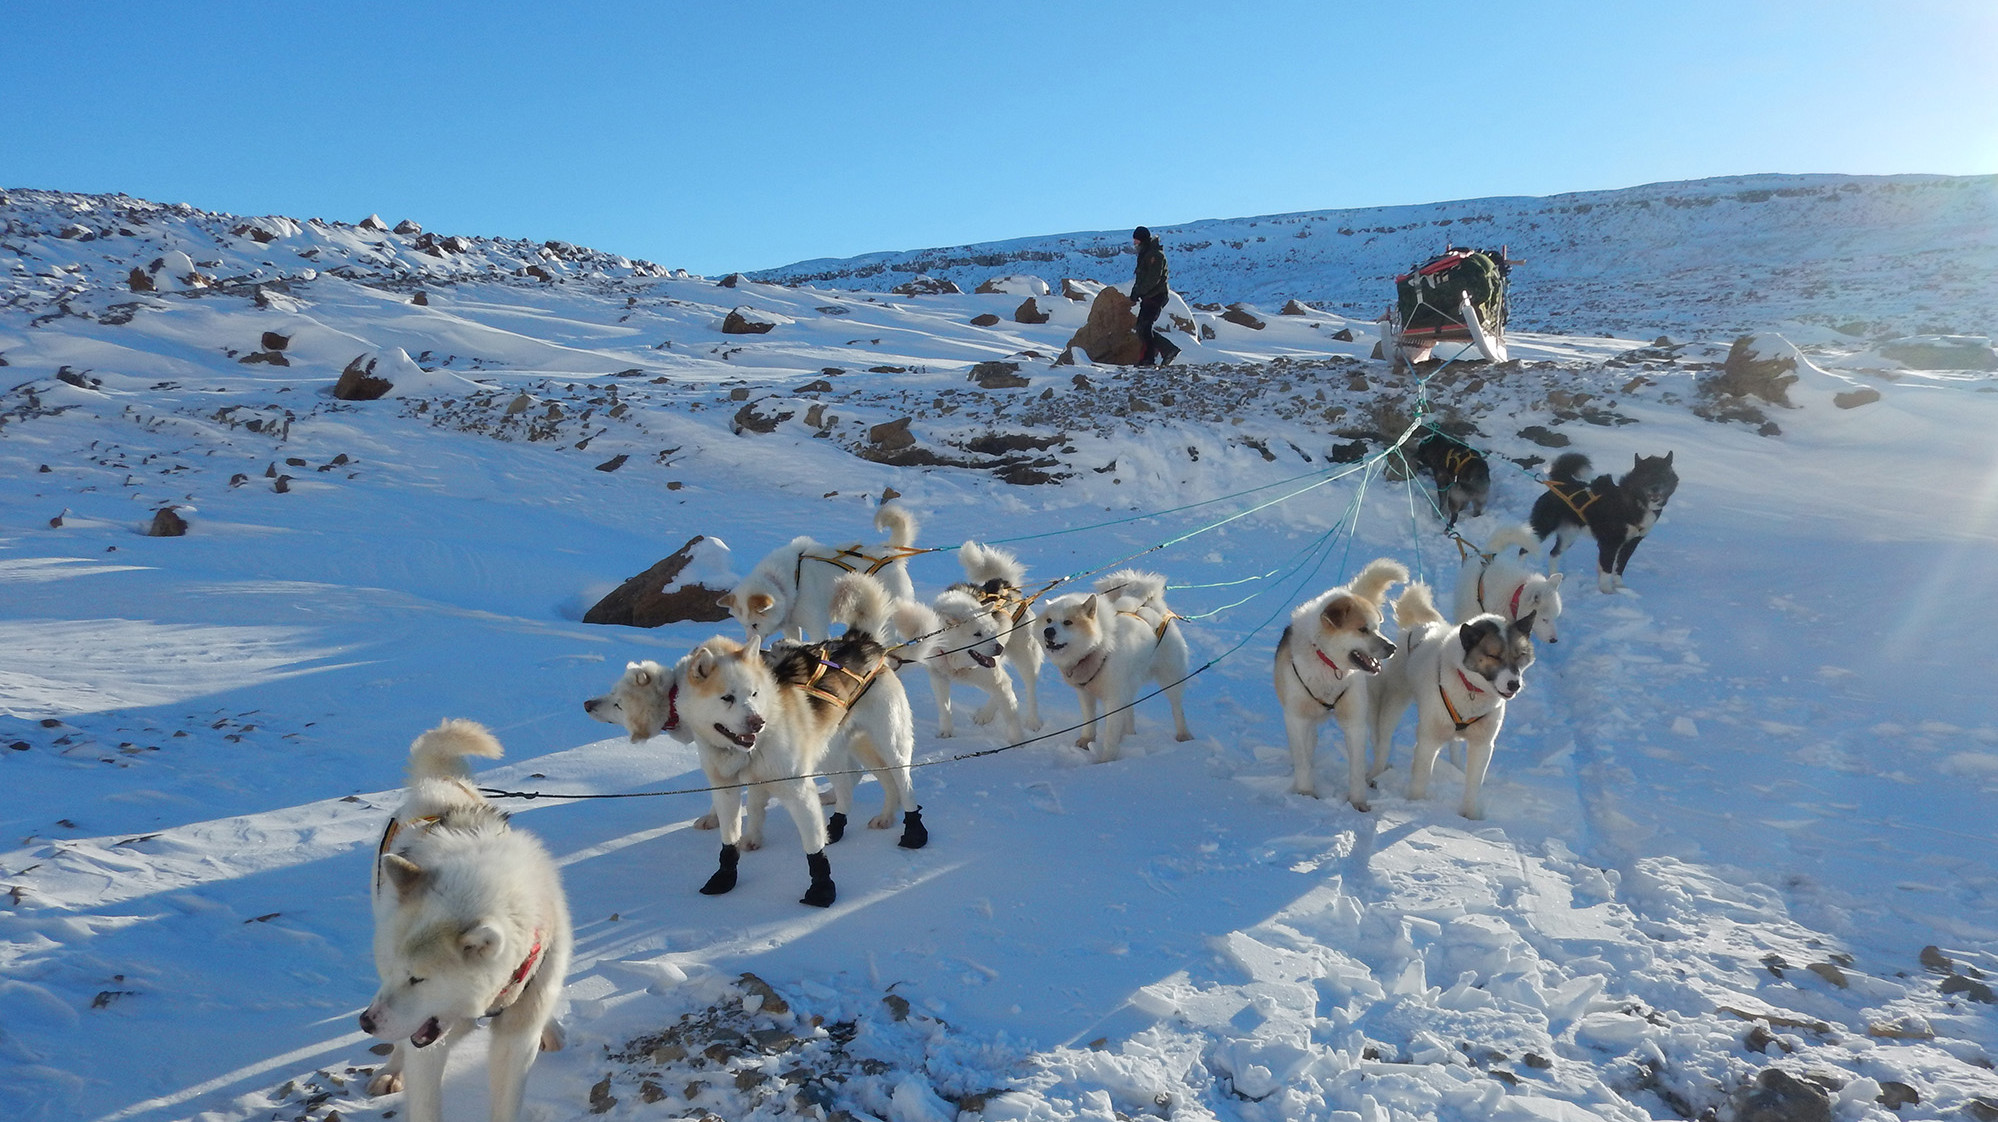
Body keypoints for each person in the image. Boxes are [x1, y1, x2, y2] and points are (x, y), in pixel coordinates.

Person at [1128, 226, 1179, 366]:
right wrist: (1135, 291)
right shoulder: (1145, 253)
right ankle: (1161, 352)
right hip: (1149, 296)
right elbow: (1141, 277)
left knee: (1144, 327)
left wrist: (1140, 291)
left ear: (1143, 240)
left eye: (1137, 240)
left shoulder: (1155, 255)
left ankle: (1152, 357)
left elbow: (1153, 279)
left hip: (1156, 295)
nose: (1134, 243)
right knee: (1142, 327)